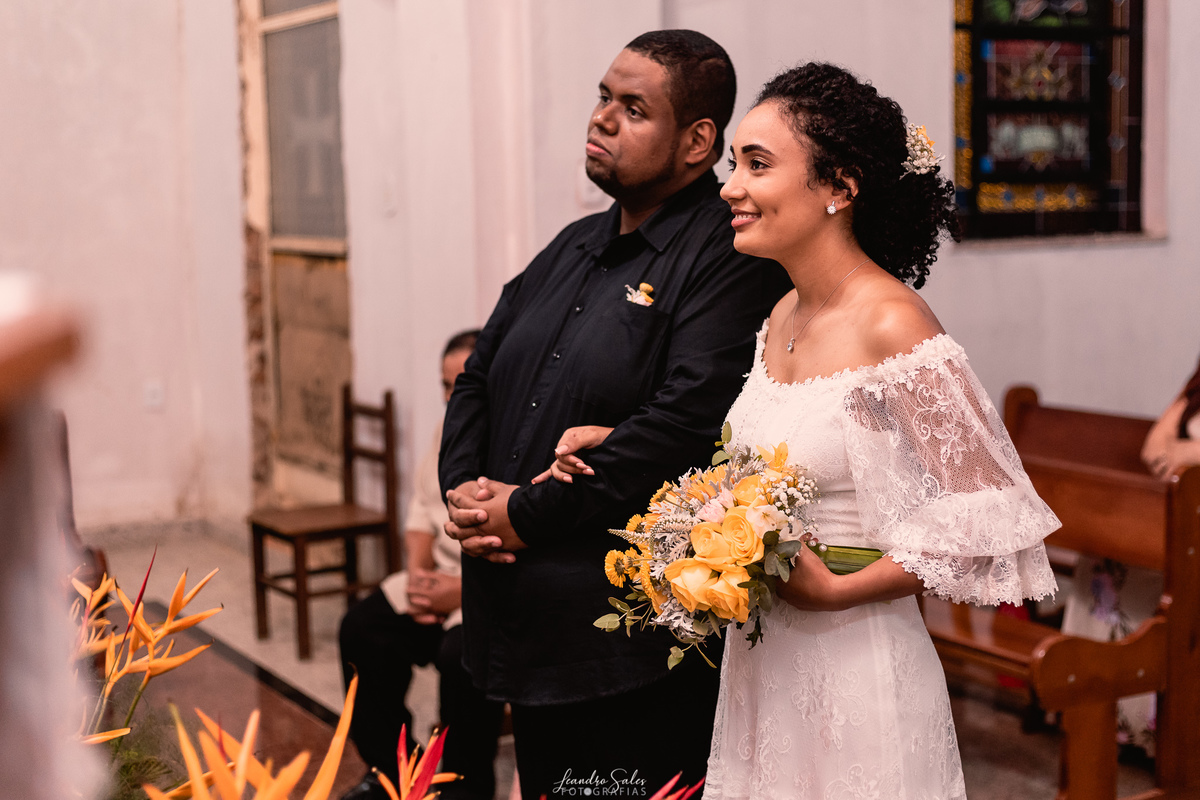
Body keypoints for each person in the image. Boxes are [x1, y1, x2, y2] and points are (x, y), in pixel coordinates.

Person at [438, 30, 791, 799]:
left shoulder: (727, 259)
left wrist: (524, 512)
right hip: (521, 624)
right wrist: (464, 493)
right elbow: (477, 376)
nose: (602, 119)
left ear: (698, 141)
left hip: (621, 650)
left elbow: (680, 427)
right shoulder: (571, 246)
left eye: (634, 108)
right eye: (604, 97)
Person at [697, 63, 1059, 797]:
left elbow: (996, 515)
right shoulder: (779, 318)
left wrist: (835, 590)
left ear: (840, 186)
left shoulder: (892, 323)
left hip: (856, 662)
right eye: (734, 164)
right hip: (764, 664)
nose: (731, 186)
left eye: (757, 165)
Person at [338, 329, 507, 800]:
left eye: (464, 383)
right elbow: (420, 509)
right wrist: (417, 578)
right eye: (445, 385)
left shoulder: (516, 435)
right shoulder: (445, 432)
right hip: (438, 579)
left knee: (461, 659)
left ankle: (461, 785)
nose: (453, 396)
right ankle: (394, 771)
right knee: (362, 628)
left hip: (490, 590)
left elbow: (520, 545)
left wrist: (456, 592)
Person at [1054, 353, 1200, 759]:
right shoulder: (1196, 387)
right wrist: (1187, 454)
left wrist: (1184, 453)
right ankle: (1105, 707)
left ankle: (1165, 726)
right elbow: (1155, 448)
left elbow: (1174, 454)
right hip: (1181, 513)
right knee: (1103, 558)